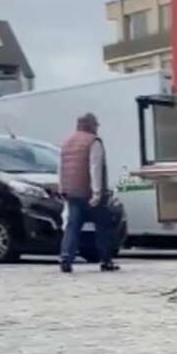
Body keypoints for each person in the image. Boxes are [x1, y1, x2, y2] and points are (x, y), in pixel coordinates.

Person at [58, 112, 119, 273]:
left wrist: (62, 189)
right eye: (96, 125)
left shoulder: (66, 142)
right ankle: (106, 260)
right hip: (89, 193)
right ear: (91, 125)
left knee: (72, 226)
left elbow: (61, 168)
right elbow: (95, 168)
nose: (97, 129)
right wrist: (97, 193)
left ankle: (65, 258)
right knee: (102, 226)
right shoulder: (93, 142)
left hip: (71, 192)